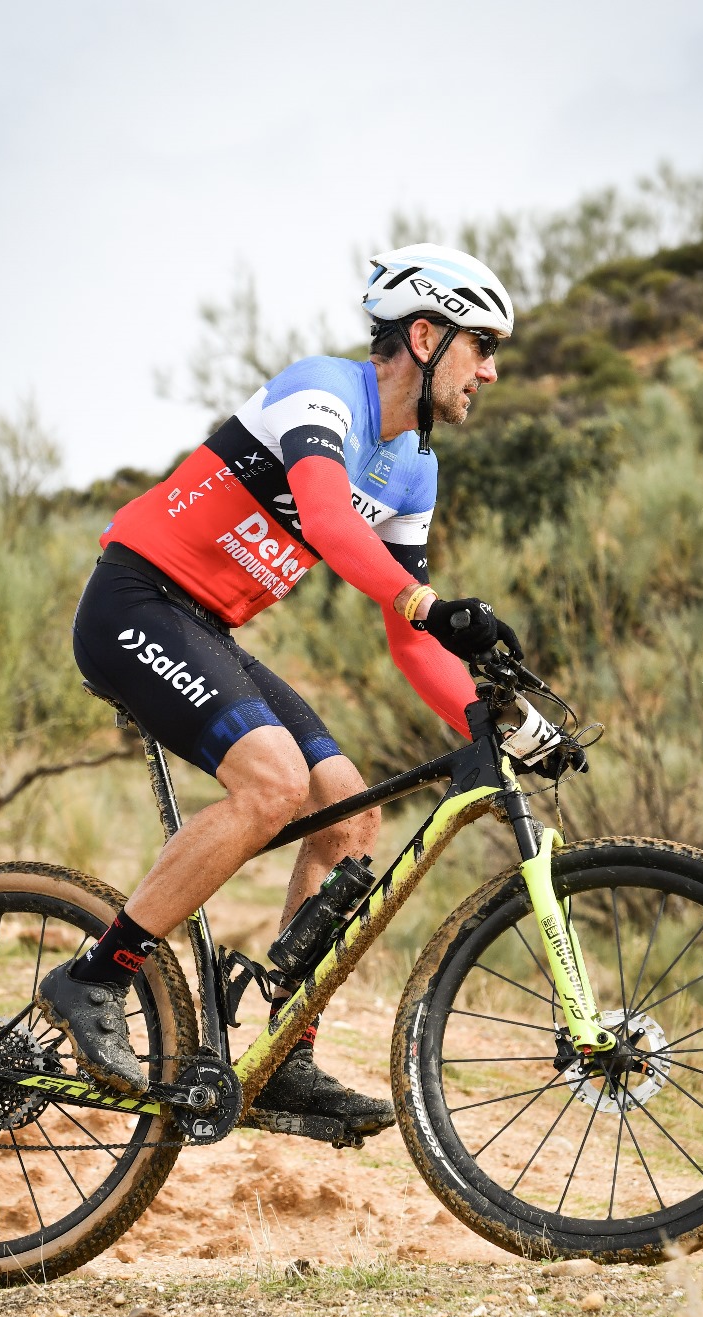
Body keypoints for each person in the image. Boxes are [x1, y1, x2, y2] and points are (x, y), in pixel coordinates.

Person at [38, 244, 524, 1142]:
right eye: (480, 346)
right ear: (425, 336)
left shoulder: (414, 466)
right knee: (272, 782)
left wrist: (487, 718)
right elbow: (332, 522)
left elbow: (408, 635)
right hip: (135, 598)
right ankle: (96, 978)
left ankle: (284, 1057)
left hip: (203, 626)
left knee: (347, 812)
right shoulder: (323, 392)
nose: (489, 370)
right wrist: (425, 599)